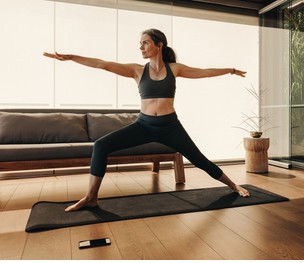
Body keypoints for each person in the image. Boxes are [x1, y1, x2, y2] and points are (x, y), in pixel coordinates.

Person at [44, 28, 250, 212]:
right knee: (101, 145)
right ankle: (91, 197)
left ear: (159, 45)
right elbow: (102, 64)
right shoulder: (137, 70)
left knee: (198, 159)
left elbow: (204, 73)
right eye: (140, 43)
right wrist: (71, 57)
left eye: (145, 42)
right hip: (144, 125)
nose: (140, 47)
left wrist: (230, 70)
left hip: (170, 126)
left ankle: (234, 186)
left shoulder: (175, 69)